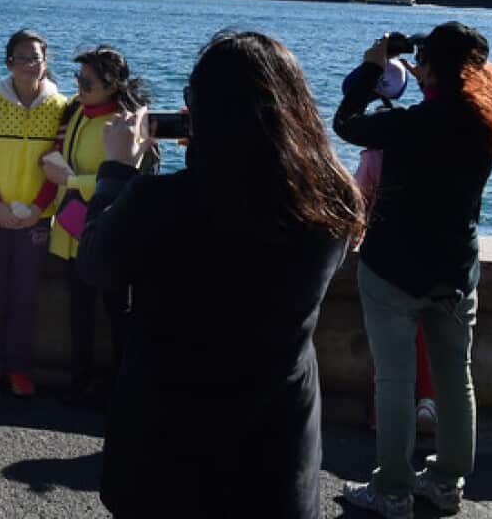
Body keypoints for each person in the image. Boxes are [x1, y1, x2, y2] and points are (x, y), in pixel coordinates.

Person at [78, 29, 363, 518]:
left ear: (203, 111)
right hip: (275, 454)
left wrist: (117, 172)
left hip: (166, 453)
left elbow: (97, 263)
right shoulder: (331, 207)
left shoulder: (159, 202)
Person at [337, 22, 492, 519]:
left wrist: (371, 69)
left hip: (393, 266)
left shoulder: (410, 122)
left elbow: (346, 122)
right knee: (454, 377)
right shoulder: (487, 125)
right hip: (456, 267)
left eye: (423, 60)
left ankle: (393, 490)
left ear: (434, 69)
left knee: (395, 382)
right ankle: (446, 482)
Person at [40, 45, 151, 406]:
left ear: (112, 84)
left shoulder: (125, 124)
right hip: (73, 232)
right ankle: (79, 381)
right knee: (79, 313)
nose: (80, 85)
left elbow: (126, 179)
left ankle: (123, 390)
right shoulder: (77, 112)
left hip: (110, 234)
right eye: (78, 78)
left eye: (87, 80)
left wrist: (71, 181)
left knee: (119, 315)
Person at [342, 44, 438, 436]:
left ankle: (384, 418)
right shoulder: (433, 131)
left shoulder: (375, 152)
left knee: (388, 344)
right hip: (436, 251)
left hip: (388, 256)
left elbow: (359, 204)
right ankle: (429, 401)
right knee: (427, 337)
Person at [0, 29, 68, 397]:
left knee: (25, 296)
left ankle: (19, 369)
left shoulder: (60, 107)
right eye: (23, 57)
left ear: (46, 61)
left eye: (37, 57)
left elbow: (59, 164)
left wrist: (40, 208)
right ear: (9, 62)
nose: (30, 64)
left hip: (36, 218)